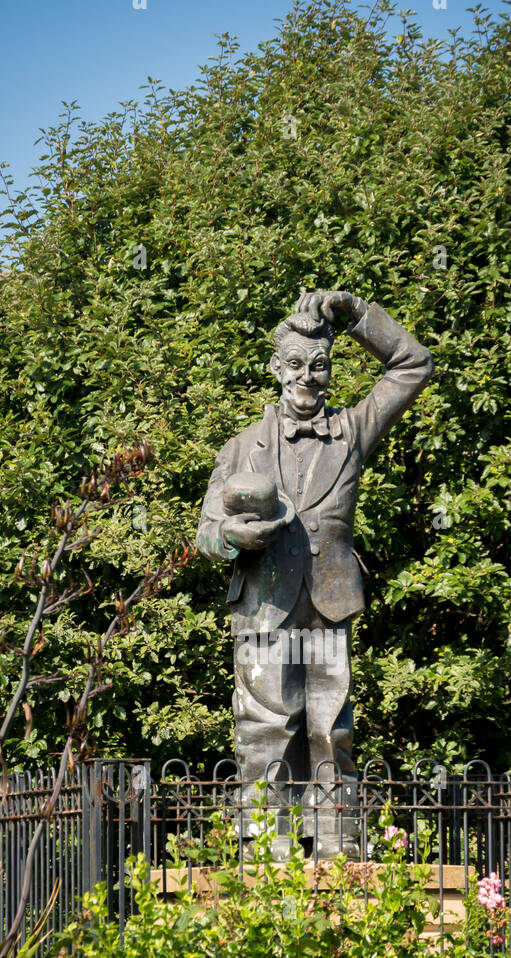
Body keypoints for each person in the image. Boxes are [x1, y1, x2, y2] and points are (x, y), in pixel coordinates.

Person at [196, 289, 434, 856]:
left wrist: (356, 315)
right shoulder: (240, 448)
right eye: (297, 364)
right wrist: (234, 537)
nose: (309, 376)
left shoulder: (352, 432)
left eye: (321, 365)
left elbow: (414, 364)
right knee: (264, 732)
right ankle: (265, 859)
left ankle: (339, 853)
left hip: (330, 600)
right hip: (262, 602)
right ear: (276, 368)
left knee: (332, 730)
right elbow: (205, 532)